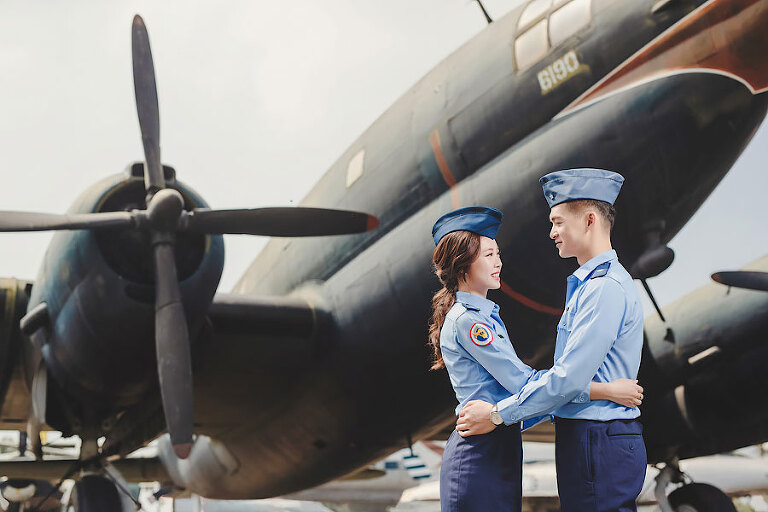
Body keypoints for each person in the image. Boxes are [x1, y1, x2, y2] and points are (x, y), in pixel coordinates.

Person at [429, 205, 643, 512]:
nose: (498, 263)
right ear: (463, 264)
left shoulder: (484, 318)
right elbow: (524, 384)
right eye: (488, 255)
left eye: (498, 254)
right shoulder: (471, 323)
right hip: (480, 451)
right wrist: (603, 390)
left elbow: (527, 400)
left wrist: (507, 412)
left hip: (497, 447)